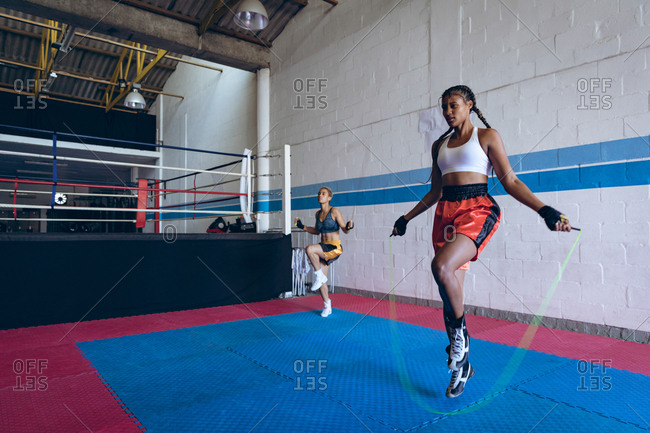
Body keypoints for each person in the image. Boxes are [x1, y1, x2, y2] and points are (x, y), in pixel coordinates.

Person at [391, 85, 572, 398]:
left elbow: (510, 180)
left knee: (442, 267)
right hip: (445, 214)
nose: (448, 111)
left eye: (454, 105)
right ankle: (463, 367)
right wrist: (406, 218)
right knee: (450, 290)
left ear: (469, 105)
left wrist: (544, 210)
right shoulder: (438, 145)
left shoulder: (487, 136)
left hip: (478, 209)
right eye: (444, 106)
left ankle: (460, 341)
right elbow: (435, 192)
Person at [295, 186, 354, 317]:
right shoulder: (317, 214)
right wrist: (302, 226)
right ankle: (327, 305)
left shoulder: (334, 212)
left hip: (334, 248)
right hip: (323, 247)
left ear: (329, 198)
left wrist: (350, 226)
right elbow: (317, 231)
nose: (320, 195)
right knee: (322, 282)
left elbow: (345, 230)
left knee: (310, 249)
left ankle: (319, 275)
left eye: (323, 193)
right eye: (319, 193)